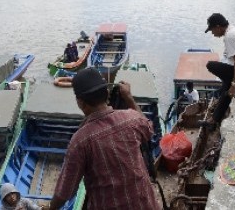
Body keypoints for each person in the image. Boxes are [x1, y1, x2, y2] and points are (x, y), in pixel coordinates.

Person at [43, 68, 161, 210]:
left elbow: (64, 192)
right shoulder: (131, 119)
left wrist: (50, 208)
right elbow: (148, 129)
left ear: (81, 103)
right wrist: (129, 98)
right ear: (106, 94)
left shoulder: (80, 141)